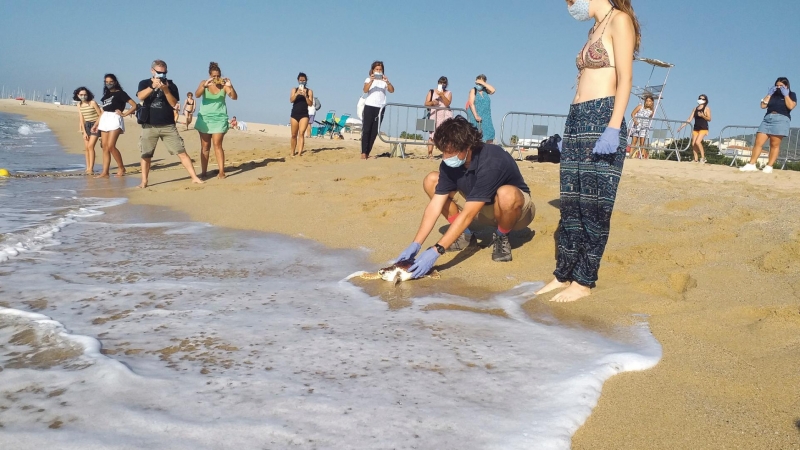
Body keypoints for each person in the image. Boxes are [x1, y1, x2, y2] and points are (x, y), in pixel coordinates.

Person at [536, 0, 640, 303]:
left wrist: (614, 125)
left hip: (603, 115)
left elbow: (626, 78)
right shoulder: (595, 27)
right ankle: (563, 273)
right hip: (577, 118)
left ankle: (584, 280)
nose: (571, 4)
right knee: (572, 203)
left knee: (595, 204)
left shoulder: (619, 20)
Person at [394, 116, 535, 277]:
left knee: (506, 194)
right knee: (431, 180)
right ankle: (465, 235)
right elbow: (435, 206)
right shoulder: (448, 164)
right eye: (443, 152)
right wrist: (416, 244)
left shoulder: (492, 160)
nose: (446, 158)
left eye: (451, 152)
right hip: (478, 207)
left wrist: (436, 251)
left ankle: (502, 236)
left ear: (467, 146)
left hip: (515, 212)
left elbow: (468, 213)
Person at [136, 59, 203, 188]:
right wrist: (152, 87)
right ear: (152, 71)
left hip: (168, 125)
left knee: (181, 151)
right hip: (149, 125)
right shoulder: (144, 83)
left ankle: (194, 177)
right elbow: (140, 97)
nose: (162, 75)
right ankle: (144, 181)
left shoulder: (171, 85)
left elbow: (173, 103)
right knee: (146, 154)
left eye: (164, 72)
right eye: (159, 72)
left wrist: (166, 90)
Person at [739, 77, 797, 173]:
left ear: (786, 86)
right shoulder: (772, 94)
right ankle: (751, 164)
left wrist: (786, 95)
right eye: (777, 85)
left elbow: (791, 106)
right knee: (758, 142)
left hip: (781, 119)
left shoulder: (791, 94)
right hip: (767, 118)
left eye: (781, 86)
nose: (778, 88)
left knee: (774, 144)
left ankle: (769, 166)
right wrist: (769, 94)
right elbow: (763, 105)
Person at [194, 61, 238, 178]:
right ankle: (203, 172)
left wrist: (230, 86)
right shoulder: (204, 83)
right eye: (214, 76)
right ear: (210, 76)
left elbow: (234, 97)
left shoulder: (224, 85)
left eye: (218, 76)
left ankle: (221, 171)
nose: (216, 78)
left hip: (219, 118)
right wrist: (204, 86)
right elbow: (197, 95)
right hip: (205, 118)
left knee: (217, 144)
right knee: (205, 146)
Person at [92, 74, 136, 178]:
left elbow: (134, 105)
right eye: (106, 82)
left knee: (111, 146)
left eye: (110, 81)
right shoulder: (106, 95)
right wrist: (96, 123)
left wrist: (125, 114)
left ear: (115, 82)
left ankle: (121, 168)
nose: (108, 84)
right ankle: (105, 172)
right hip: (104, 119)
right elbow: (103, 111)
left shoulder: (121, 93)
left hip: (115, 118)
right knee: (105, 147)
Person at [361, 61, 394, 159]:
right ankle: (363, 152)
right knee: (366, 129)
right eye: (377, 69)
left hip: (380, 107)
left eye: (380, 69)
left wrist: (387, 82)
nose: (378, 71)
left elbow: (392, 90)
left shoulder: (384, 81)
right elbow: (365, 90)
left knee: (374, 131)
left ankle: (368, 152)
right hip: (369, 105)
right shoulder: (368, 79)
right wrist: (371, 80)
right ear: (373, 70)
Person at [73, 87, 102, 174]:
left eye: (85, 94)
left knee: (90, 146)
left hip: (96, 125)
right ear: (78, 95)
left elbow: (100, 115)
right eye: (81, 95)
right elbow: (81, 118)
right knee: (86, 148)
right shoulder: (79, 105)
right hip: (86, 126)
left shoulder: (92, 103)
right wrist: (83, 131)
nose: (83, 96)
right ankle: (87, 167)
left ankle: (91, 168)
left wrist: (96, 125)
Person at [677, 94, 711, 163]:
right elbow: (689, 119)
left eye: (702, 99)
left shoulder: (707, 108)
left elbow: (709, 119)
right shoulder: (695, 109)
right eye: (700, 98)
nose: (701, 100)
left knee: (698, 142)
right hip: (696, 128)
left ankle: (703, 158)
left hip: (703, 128)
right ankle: (695, 159)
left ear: (705, 100)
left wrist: (703, 115)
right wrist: (681, 126)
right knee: (693, 143)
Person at [425, 76, 453, 158]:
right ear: (438, 83)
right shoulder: (432, 91)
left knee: (446, 135)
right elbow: (426, 103)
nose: (443, 84)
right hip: (434, 115)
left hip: (445, 115)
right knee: (432, 135)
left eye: (444, 83)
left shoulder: (449, 93)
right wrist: (433, 103)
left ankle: (446, 153)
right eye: (441, 83)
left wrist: (442, 96)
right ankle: (430, 153)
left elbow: (447, 103)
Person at [466, 75, 496, 144]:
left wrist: (484, 84)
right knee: (477, 135)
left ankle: (488, 151)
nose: (479, 84)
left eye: (480, 83)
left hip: (486, 116)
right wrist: (476, 115)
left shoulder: (486, 91)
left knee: (490, 133)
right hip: (476, 114)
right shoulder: (473, 90)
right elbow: (471, 103)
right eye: (478, 83)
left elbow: (493, 90)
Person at [290, 72, 313, 157]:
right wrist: (297, 94)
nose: (302, 82)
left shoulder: (309, 91)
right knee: (293, 135)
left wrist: (305, 96)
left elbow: (310, 103)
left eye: (304, 80)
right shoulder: (294, 89)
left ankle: (299, 153)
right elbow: (291, 100)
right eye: (300, 80)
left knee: (301, 133)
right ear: (298, 80)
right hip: (294, 114)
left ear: (306, 81)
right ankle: (292, 152)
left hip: (304, 114)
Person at [628, 94, 654, 159]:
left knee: (642, 142)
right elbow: (633, 113)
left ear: (652, 102)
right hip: (637, 125)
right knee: (634, 141)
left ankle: (641, 156)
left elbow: (649, 118)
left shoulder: (651, 111)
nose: (648, 102)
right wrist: (635, 120)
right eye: (647, 101)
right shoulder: (640, 107)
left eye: (649, 101)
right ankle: (630, 155)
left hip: (644, 127)